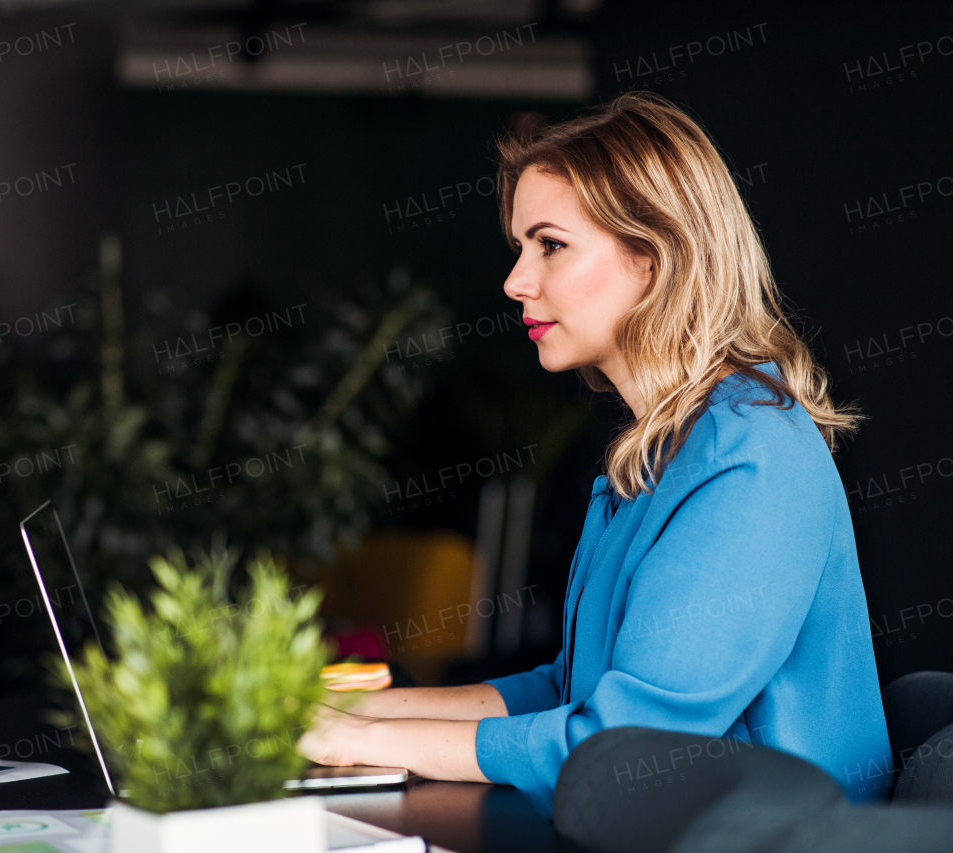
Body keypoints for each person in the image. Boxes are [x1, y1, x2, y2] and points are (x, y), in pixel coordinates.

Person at [297, 91, 893, 816]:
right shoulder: (654, 457)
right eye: (522, 248)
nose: (516, 280)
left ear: (652, 257)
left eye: (550, 244)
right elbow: (569, 692)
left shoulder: (752, 456)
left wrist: (375, 742)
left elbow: (628, 744)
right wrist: (355, 715)